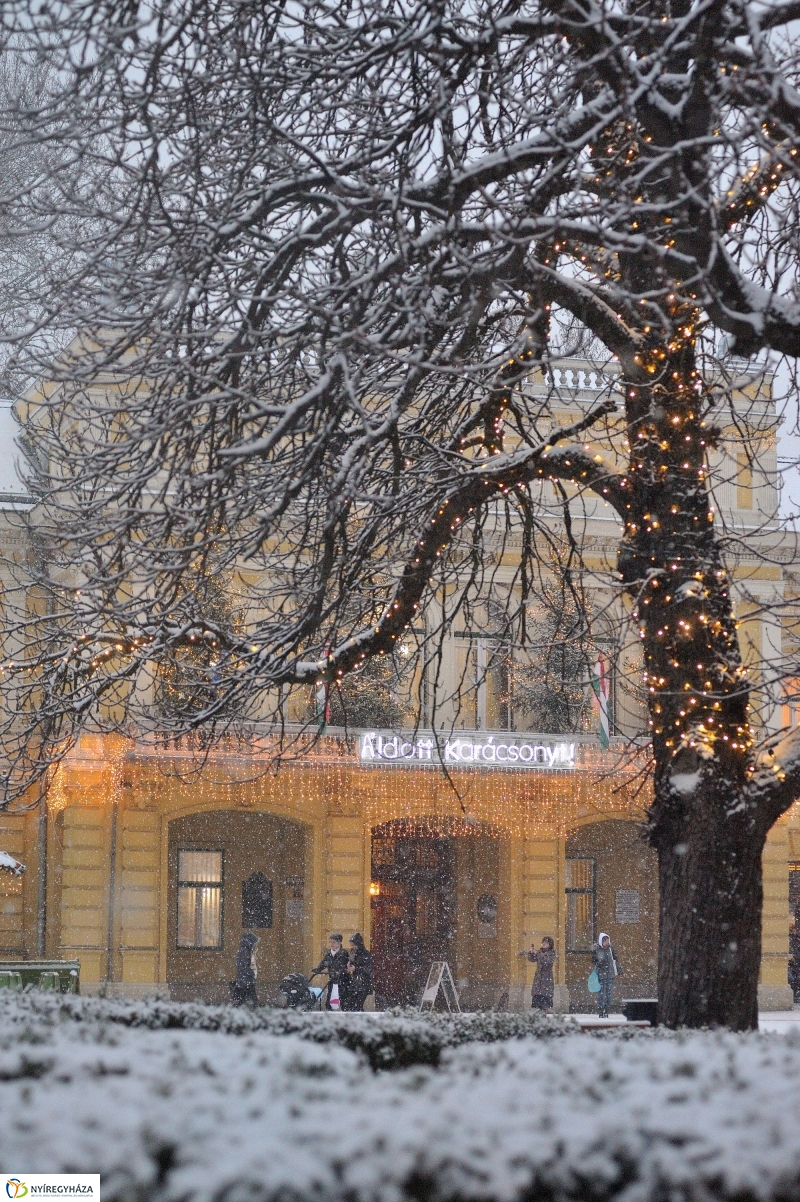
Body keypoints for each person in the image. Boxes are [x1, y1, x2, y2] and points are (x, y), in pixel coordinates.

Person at [311, 932, 350, 1009]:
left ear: (339, 943)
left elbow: (345, 966)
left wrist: (340, 971)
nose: (332, 944)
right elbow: (324, 963)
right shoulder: (329, 954)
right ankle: (329, 1011)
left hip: (343, 980)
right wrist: (318, 969)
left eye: (334, 942)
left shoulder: (344, 953)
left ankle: (344, 1011)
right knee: (329, 1000)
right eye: (330, 942)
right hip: (332, 979)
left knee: (343, 1000)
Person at [592, 931, 622, 1018]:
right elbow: (594, 960)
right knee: (601, 994)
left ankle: (607, 1010)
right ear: (601, 941)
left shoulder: (611, 948)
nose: (607, 942)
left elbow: (615, 959)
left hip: (610, 974)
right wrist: (599, 963)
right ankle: (601, 1010)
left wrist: (619, 970)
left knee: (608, 994)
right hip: (601, 975)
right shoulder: (597, 949)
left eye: (608, 940)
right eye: (605, 941)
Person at [342, 932, 373, 1011]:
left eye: (353, 945)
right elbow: (351, 962)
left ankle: (360, 1020)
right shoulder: (352, 952)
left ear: (358, 944)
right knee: (351, 1004)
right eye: (351, 945)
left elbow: (368, 969)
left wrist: (356, 968)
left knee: (359, 1004)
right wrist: (349, 966)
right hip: (354, 982)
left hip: (364, 982)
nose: (352, 947)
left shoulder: (366, 954)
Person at [527, 936, 556, 1011]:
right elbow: (532, 959)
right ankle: (539, 1016)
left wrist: (538, 954)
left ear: (550, 944)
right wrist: (531, 952)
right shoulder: (540, 952)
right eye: (543, 942)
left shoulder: (551, 953)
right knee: (537, 999)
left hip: (546, 979)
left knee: (545, 999)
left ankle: (544, 1015)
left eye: (546, 942)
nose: (543, 944)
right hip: (538, 979)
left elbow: (547, 961)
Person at [230, 931, 259, 1007]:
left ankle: (241, 1011)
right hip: (246, 980)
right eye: (253, 943)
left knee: (243, 999)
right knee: (251, 1000)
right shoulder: (244, 951)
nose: (254, 945)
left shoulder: (245, 951)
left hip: (244, 980)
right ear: (249, 942)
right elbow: (243, 966)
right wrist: (251, 973)